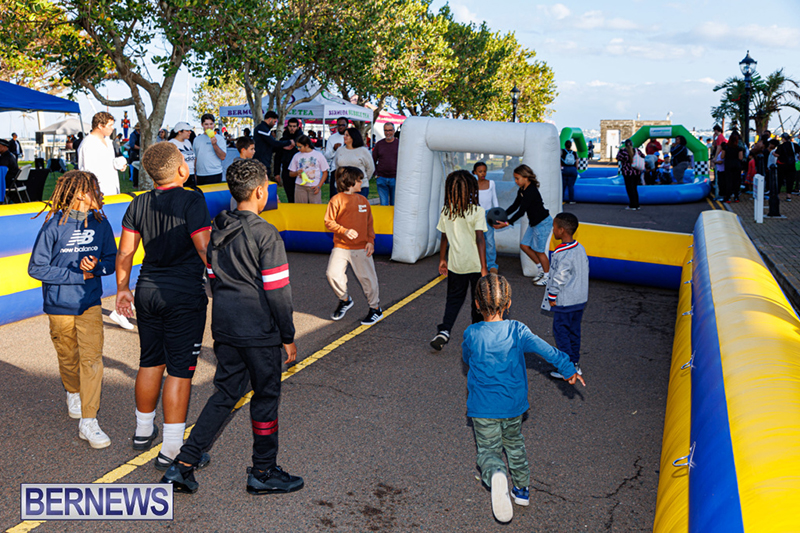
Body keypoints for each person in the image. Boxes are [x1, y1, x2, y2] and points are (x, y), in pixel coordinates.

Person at [160, 158, 302, 495]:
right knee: (265, 398)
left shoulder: (217, 228)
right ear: (259, 191)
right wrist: (288, 336)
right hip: (259, 332)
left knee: (224, 395)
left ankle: (182, 465)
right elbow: (278, 292)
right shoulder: (266, 234)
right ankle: (264, 472)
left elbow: (212, 276)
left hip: (225, 328)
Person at [115, 142, 212, 470]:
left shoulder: (138, 203)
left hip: (147, 291)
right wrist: (227, 280)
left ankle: (143, 431)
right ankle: (172, 449)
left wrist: (122, 289)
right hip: (183, 294)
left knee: (150, 360)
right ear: (181, 169)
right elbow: (204, 248)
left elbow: (125, 252)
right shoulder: (192, 200)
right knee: (180, 370)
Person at [462, 273, 585, 523]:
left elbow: (467, 357)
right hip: (513, 406)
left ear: (476, 304)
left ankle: (496, 474)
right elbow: (548, 351)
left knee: (489, 450)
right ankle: (521, 490)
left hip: (483, 408)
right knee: (515, 444)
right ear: (508, 304)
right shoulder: (518, 330)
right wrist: (569, 370)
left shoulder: (472, 333)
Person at [28, 170, 117, 449]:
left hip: (89, 303)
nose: (99, 194)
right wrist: (78, 275)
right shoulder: (54, 225)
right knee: (69, 357)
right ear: (79, 194)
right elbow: (36, 268)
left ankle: (89, 421)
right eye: (94, 190)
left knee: (92, 359)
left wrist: (96, 268)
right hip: (59, 304)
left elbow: (110, 260)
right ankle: (72, 390)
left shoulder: (101, 223)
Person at [430, 170, 488, 351]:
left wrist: (442, 260)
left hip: (456, 265)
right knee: (477, 302)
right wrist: (485, 268)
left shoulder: (447, 211)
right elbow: (480, 239)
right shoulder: (477, 211)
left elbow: (444, 237)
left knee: (453, 299)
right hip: (475, 265)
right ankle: (477, 336)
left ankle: (444, 331)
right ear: (471, 189)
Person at [324, 166, 384, 325]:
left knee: (368, 279)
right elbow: (328, 222)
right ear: (350, 182)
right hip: (341, 246)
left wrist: (371, 241)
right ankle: (344, 300)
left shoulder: (363, 200)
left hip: (361, 247)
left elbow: (369, 223)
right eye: (359, 180)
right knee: (332, 274)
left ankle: (375, 309)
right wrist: (344, 231)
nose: (362, 183)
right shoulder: (336, 200)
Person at [540, 213, 590, 378]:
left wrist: (552, 296)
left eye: (554, 227)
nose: (553, 230)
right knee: (574, 331)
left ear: (561, 230)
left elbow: (559, 277)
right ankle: (575, 364)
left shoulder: (562, 252)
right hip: (579, 299)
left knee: (561, 332)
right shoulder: (580, 247)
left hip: (565, 301)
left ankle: (567, 368)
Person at [494, 165, 553, 283]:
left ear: (526, 177)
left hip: (542, 223)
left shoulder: (531, 191)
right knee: (524, 245)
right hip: (535, 223)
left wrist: (507, 223)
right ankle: (541, 270)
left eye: (517, 178)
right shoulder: (522, 190)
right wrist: (503, 215)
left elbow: (521, 212)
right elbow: (515, 206)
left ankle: (548, 277)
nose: (516, 181)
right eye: (515, 178)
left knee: (539, 251)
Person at [332, 127, 375, 200]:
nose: (344, 137)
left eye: (347, 135)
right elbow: (337, 166)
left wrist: (362, 179)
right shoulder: (339, 150)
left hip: (360, 188)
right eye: (344, 135)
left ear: (353, 137)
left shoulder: (363, 151)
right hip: (342, 188)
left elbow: (370, 168)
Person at [254, 111, 294, 186]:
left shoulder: (265, 129)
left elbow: (271, 146)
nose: (274, 124)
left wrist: (282, 147)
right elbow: (273, 143)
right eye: (275, 121)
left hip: (265, 160)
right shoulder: (262, 128)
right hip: (261, 161)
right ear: (270, 119)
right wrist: (288, 142)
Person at [473, 162, 499, 274]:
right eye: (480, 171)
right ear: (475, 172)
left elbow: (494, 199)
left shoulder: (491, 183)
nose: (483, 173)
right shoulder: (472, 185)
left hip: (489, 214)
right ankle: (478, 263)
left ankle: (492, 265)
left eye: (484, 171)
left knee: (489, 241)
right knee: (476, 239)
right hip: (476, 214)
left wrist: (497, 214)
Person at [288, 135, 329, 204]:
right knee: (300, 209)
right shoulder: (296, 156)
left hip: (314, 186)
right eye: (297, 146)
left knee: (315, 210)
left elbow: (325, 172)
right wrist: (297, 173)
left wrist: (319, 186)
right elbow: (290, 173)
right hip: (300, 186)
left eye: (300, 147)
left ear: (307, 145)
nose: (298, 149)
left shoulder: (318, 155)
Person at [274, 118, 303, 203]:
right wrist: (276, 173)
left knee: (300, 196)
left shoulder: (302, 140)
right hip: (286, 169)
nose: (292, 128)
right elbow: (277, 157)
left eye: (294, 126)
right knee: (290, 196)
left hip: (300, 170)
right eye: (290, 126)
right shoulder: (283, 140)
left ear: (298, 127)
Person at [193, 114, 226, 185]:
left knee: (215, 195)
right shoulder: (196, 139)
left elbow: (223, 157)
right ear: (202, 125)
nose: (209, 127)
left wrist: (214, 144)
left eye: (211, 124)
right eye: (206, 124)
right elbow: (195, 157)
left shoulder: (220, 138)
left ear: (214, 124)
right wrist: (194, 172)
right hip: (200, 174)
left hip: (215, 173)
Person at [373, 123, 400, 206]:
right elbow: (373, 159)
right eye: (386, 130)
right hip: (381, 178)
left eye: (390, 130)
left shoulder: (399, 144)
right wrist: (376, 173)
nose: (388, 132)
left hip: (395, 178)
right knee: (383, 204)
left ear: (394, 131)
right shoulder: (379, 144)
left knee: (394, 205)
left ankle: (392, 220)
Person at [324, 117, 349, 196]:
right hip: (336, 170)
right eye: (338, 125)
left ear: (347, 125)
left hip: (350, 170)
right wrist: (334, 150)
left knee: (348, 196)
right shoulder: (332, 138)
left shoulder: (352, 137)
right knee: (335, 196)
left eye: (343, 125)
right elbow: (327, 156)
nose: (340, 127)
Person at [168, 122, 196, 187]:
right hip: (180, 176)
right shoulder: (171, 143)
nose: (190, 132)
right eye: (187, 131)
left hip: (191, 174)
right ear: (179, 132)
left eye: (190, 130)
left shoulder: (188, 142)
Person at [617, 139, 642, 210]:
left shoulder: (623, 151)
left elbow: (618, 158)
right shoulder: (637, 150)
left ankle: (632, 205)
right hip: (636, 172)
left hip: (628, 173)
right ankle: (637, 204)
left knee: (630, 189)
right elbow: (643, 156)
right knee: (634, 188)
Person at [720, 131, 744, 203]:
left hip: (728, 164)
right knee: (737, 180)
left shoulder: (726, 147)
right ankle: (736, 197)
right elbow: (740, 158)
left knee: (728, 181)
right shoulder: (739, 148)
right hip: (737, 164)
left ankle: (728, 197)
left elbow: (722, 156)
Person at [776, 133, 799, 202]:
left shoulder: (781, 146)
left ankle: (777, 195)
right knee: (790, 180)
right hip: (791, 165)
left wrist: (773, 154)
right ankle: (789, 196)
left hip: (782, 165)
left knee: (780, 180)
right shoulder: (794, 145)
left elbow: (777, 154)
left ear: (783, 138)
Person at [765, 138, 784, 218]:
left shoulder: (774, 152)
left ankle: (770, 190)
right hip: (770, 168)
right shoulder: (773, 151)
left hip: (771, 168)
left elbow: (773, 160)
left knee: (771, 180)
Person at [561, 140, 578, 204]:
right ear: (571, 145)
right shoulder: (574, 152)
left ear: (565, 145)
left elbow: (559, 161)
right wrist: (575, 169)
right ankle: (571, 200)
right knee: (571, 186)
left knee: (563, 185)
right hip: (572, 169)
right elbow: (577, 161)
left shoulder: (562, 152)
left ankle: (561, 199)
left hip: (565, 169)